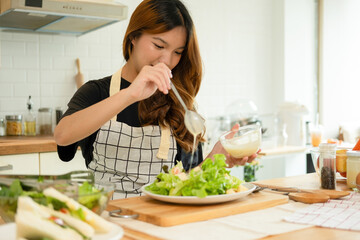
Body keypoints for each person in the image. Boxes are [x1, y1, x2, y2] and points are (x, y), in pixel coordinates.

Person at [55, 0, 257, 199]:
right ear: (133, 36)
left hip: (163, 221)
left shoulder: (180, 105)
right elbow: (62, 136)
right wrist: (130, 94)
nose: (167, 61)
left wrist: (216, 159)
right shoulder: (96, 92)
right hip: (109, 219)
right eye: (159, 45)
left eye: (177, 52)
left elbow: (185, 185)